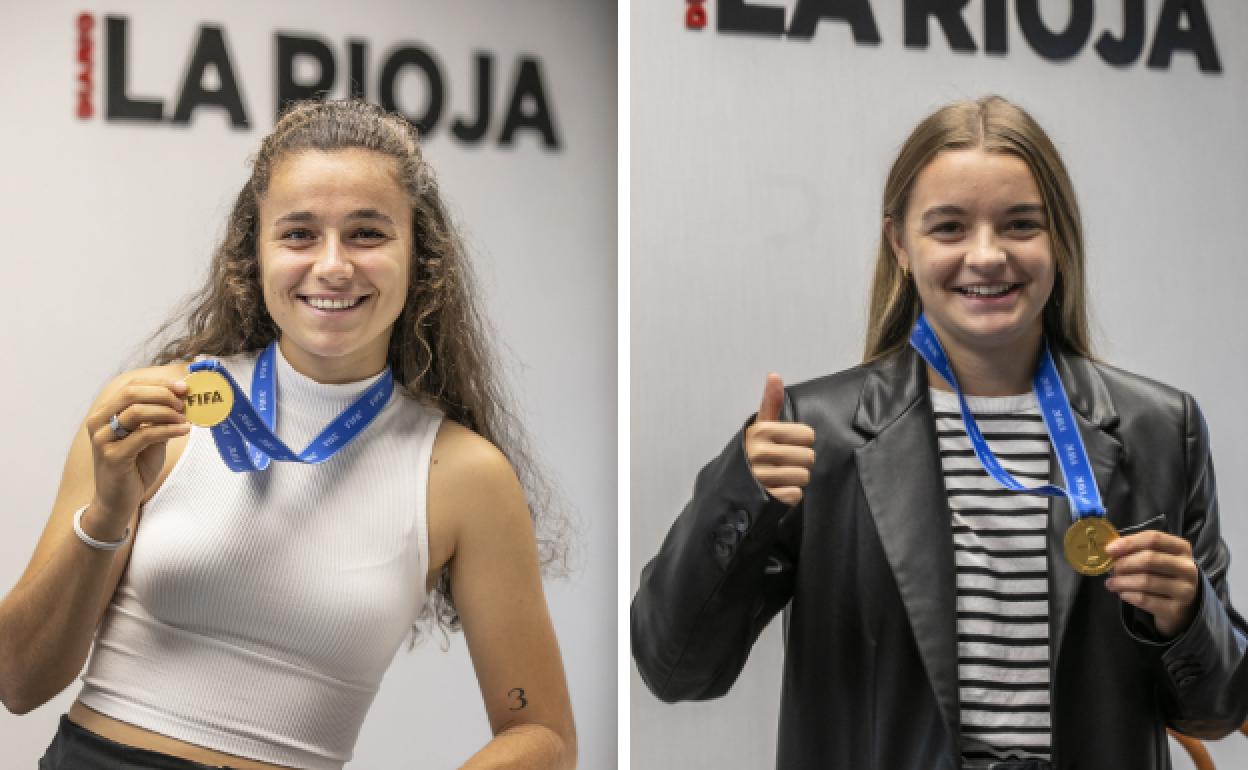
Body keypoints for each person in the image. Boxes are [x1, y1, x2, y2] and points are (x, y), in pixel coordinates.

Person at [632, 95, 1248, 770]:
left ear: (1060, 239)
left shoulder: (1162, 429)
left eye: (1020, 225)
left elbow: (1216, 710)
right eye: (948, 228)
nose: (986, 256)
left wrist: (1187, 616)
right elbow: (676, 671)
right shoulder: (815, 436)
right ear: (900, 243)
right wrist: (740, 493)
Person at [0, 99, 576, 770]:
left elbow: (546, 738)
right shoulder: (158, 411)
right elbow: (18, 681)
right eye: (299, 234)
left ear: (421, 258)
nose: (333, 265)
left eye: (367, 233)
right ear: (257, 253)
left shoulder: (465, 475)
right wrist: (106, 511)